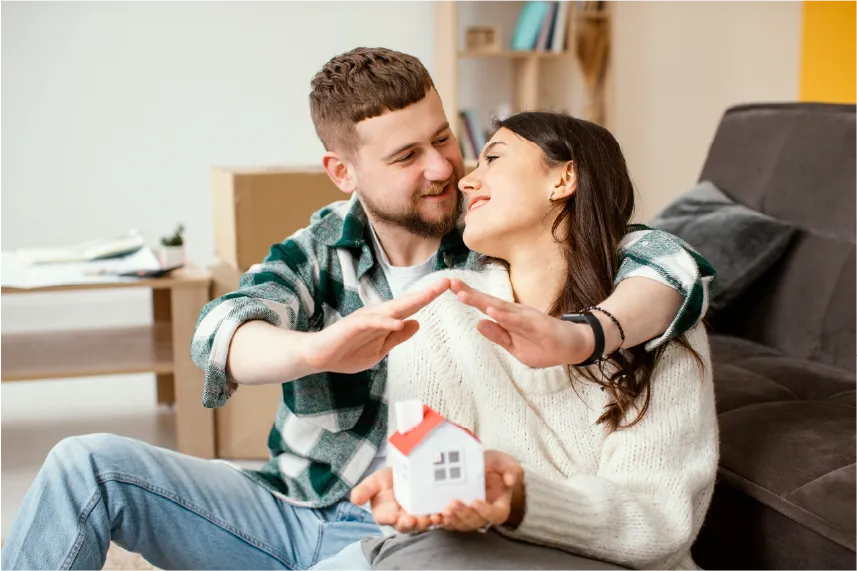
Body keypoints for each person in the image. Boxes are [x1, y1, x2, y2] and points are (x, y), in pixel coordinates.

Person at [0, 48, 715, 571]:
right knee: (86, 464)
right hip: (295, 504)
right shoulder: (321, 250)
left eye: (445, 139)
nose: (446, 169)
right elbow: (219, 330)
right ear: (344, 172)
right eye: (407, 156)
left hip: (407, 531)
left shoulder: (498, 248)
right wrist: (315, 350)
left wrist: (583, 336)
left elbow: (672, 266)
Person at [336, 112, 717, 571]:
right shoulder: (440, 311)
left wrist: (521, 499)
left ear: (563, 178)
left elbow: (659, 524)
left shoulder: (658, 316)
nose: (465, 182)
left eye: (494, 158)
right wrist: (420, 503)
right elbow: (424, 505)